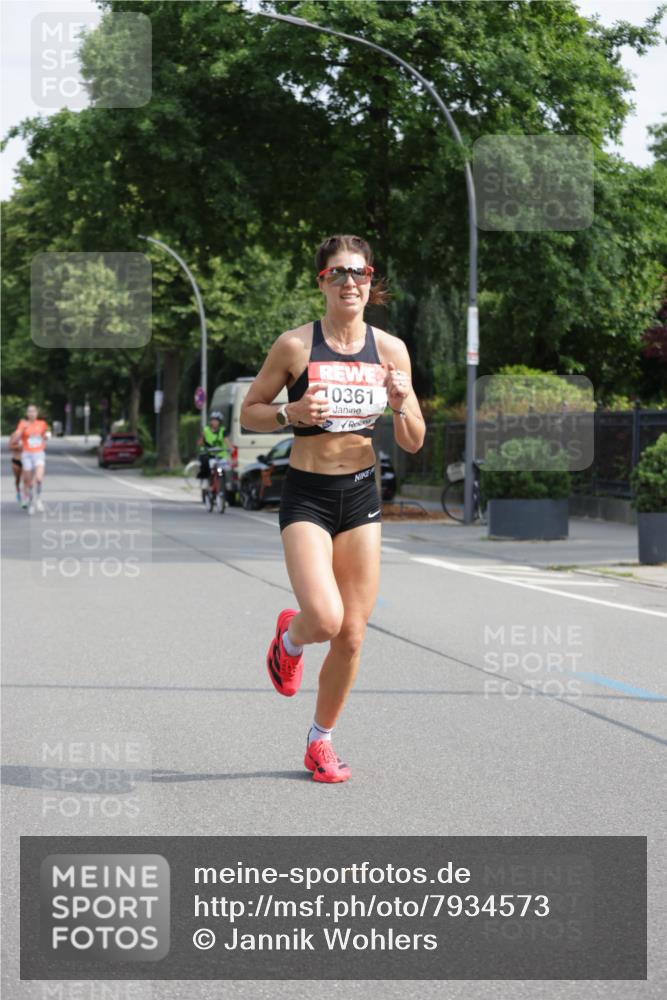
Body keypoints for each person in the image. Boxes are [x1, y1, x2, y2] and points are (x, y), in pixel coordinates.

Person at [240, 234, 425, 783]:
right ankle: (290, 639)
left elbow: (414, 439)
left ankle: (320, 741)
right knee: (324, 619)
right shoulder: (296, 346)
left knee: (352, 634)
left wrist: (400, 405)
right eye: (337, 273)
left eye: (359, 273)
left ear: (371, 282)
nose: (350, 282)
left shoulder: (391, 351)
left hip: (361, 494)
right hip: (308, 494)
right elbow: (250, 411)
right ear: (321, 282)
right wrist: (289, 413)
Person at [12, 404, 50, 514]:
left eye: (33, 411)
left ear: (37, 413)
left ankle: (38, 499)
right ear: (27, 414)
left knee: (39, 478)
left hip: (39, 453)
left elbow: (45, 436)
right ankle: (31, 501)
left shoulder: (42, 424)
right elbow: (15, 438)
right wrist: (19, 433)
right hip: (27, 454)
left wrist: (46, 436)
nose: (32, 413)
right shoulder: (22, 424)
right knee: (28, 481)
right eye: (29, 411)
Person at [196, 411, 229, 483]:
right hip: (208, 455)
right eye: (213, 420)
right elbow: (199, 443)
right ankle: (207, 480)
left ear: (220, 422)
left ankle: (223, 483)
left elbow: (227, 442)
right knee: (207, 466)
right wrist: (202, 438)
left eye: (216, 420)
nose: (214, 422)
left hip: (220, 455)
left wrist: (231, 449)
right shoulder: (206, 430)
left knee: (223, 470)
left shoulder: (223, 431)